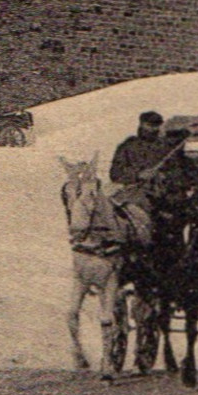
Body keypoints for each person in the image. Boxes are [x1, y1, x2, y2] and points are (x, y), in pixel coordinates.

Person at [61, 158, 127, 378]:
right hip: (85, 253)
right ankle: (77, 351)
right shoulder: (128, 148)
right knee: (71, 311)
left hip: (107, 257)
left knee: (106, 315)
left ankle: (107, 362)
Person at [108, 110, 168, 186]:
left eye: (156, 125)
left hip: (165, 192)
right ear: (141, 124)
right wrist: (139, 174)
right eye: (149, 125)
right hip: (139, 192)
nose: (152, 129)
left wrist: (165, 175)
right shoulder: (128, 146)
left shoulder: (166, 146)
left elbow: (179, 169)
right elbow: (115, 174)